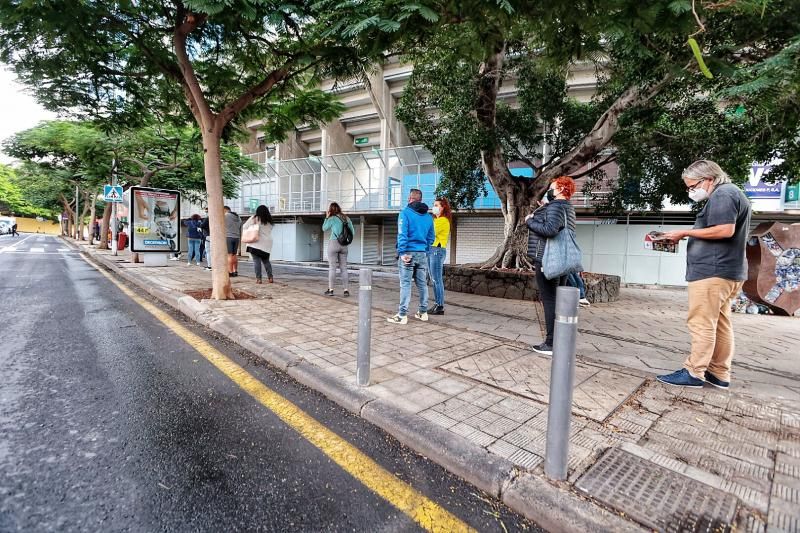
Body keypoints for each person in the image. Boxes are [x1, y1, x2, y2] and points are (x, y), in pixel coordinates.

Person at [657, 160, 752, 389]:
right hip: (728, 270)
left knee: (701, 322)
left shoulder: (723, 194)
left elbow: (724, 230)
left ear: (709, 179)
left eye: (693, 186)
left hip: (713, 271)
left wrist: (684, 232)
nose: (691, 191)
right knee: (720, 323)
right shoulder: (733, 194)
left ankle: (694, 372)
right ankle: (719, 373)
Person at [525, 176, 578, 355]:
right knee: (558, 301)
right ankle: (560, 341)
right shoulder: (568, 208)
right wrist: (543, 209)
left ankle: (551, 343)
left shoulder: (556, 206)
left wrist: (529, 220)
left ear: (562, 189)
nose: (550, 190)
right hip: (562, 259)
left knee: (549, 300)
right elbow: (557, 226)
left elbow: (550, 230)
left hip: (548, 259)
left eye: (553, 187)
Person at [388, 188, 435, 324]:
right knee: (422, 284)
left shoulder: (405, 213)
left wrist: (402, 252)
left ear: (410, 199)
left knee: (406, 284)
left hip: (408, 253)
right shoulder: (428, 217)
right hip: (422, 254)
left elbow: (402, 234)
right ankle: (423, 312)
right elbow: (431, 237)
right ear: (420, 200)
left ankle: (402, 315)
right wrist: (424, 250)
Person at [322, 202, 355, 296]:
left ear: (330, 210)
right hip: (344, 245)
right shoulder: (347, 218)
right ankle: (346, 290)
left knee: (332, 268)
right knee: (344, 268)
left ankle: (331, 290)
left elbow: (324, 228)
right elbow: (353, 232)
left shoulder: (332, 218)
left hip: (334, 243)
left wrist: (327, 217)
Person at [428, 197, 452, 315]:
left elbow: (430, 233)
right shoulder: (436, 220)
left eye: (437, 205)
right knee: (434, 279)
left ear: (443, 208)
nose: (434, 207)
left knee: (437, 280)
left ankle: (440, 306)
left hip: (437, 251)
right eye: (434, 205)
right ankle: (437, 304)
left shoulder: (443, 220)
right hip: (432, 250)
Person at [243, 205, 275, 284]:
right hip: (267, 243)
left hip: (256, 242)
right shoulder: (269, 220)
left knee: (256, 260)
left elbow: (244, 226)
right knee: (266, 261)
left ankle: (259, 279)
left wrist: (253, 225)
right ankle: (270, 277)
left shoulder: (254, 218)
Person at [224, 206, 242, 277]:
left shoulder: (226, 216)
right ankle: (235, 271)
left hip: (228, 237)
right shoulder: (238, 217)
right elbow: (239, 226)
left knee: (229, 255)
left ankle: (230, 272)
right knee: (234, 255)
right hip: (236, 237)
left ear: (225, 210)